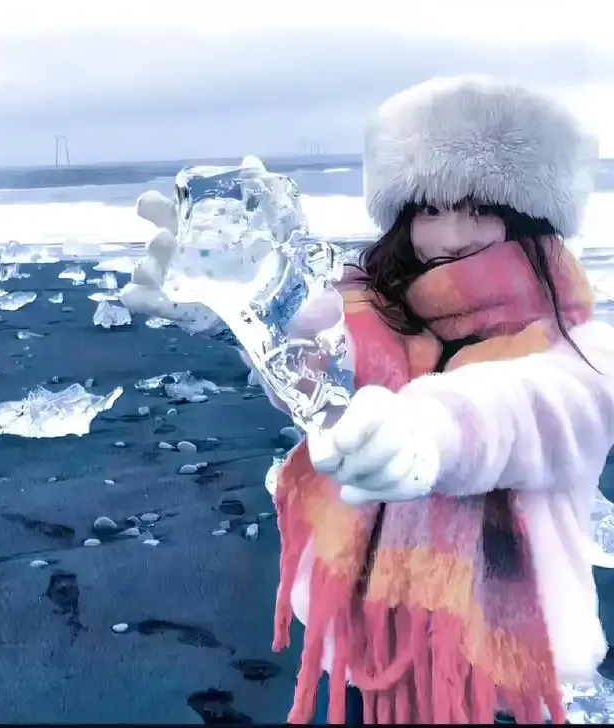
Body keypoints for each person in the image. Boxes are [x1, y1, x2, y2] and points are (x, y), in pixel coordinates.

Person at [122, 76, 614, 724]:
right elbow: (313, 370)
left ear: (531, 216)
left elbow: (528, 411)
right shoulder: (378, 312)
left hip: (503, 683)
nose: (451, 233)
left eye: (479, 207)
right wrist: (231, 304)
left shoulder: (581, 349)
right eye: (430, 209)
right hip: (363, 654)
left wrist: (427, 435)